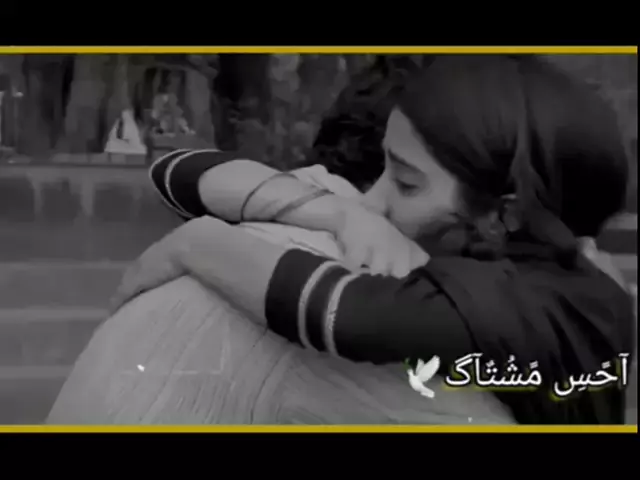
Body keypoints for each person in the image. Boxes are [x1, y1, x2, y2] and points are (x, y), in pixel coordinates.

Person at [113, 55, 634, 424]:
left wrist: (195, 245)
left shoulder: (521, 303)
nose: (372, 201)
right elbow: (177, 173)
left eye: (406, 183)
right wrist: (337, 213)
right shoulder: (528, 260)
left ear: (504, 216)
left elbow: (338, 313)